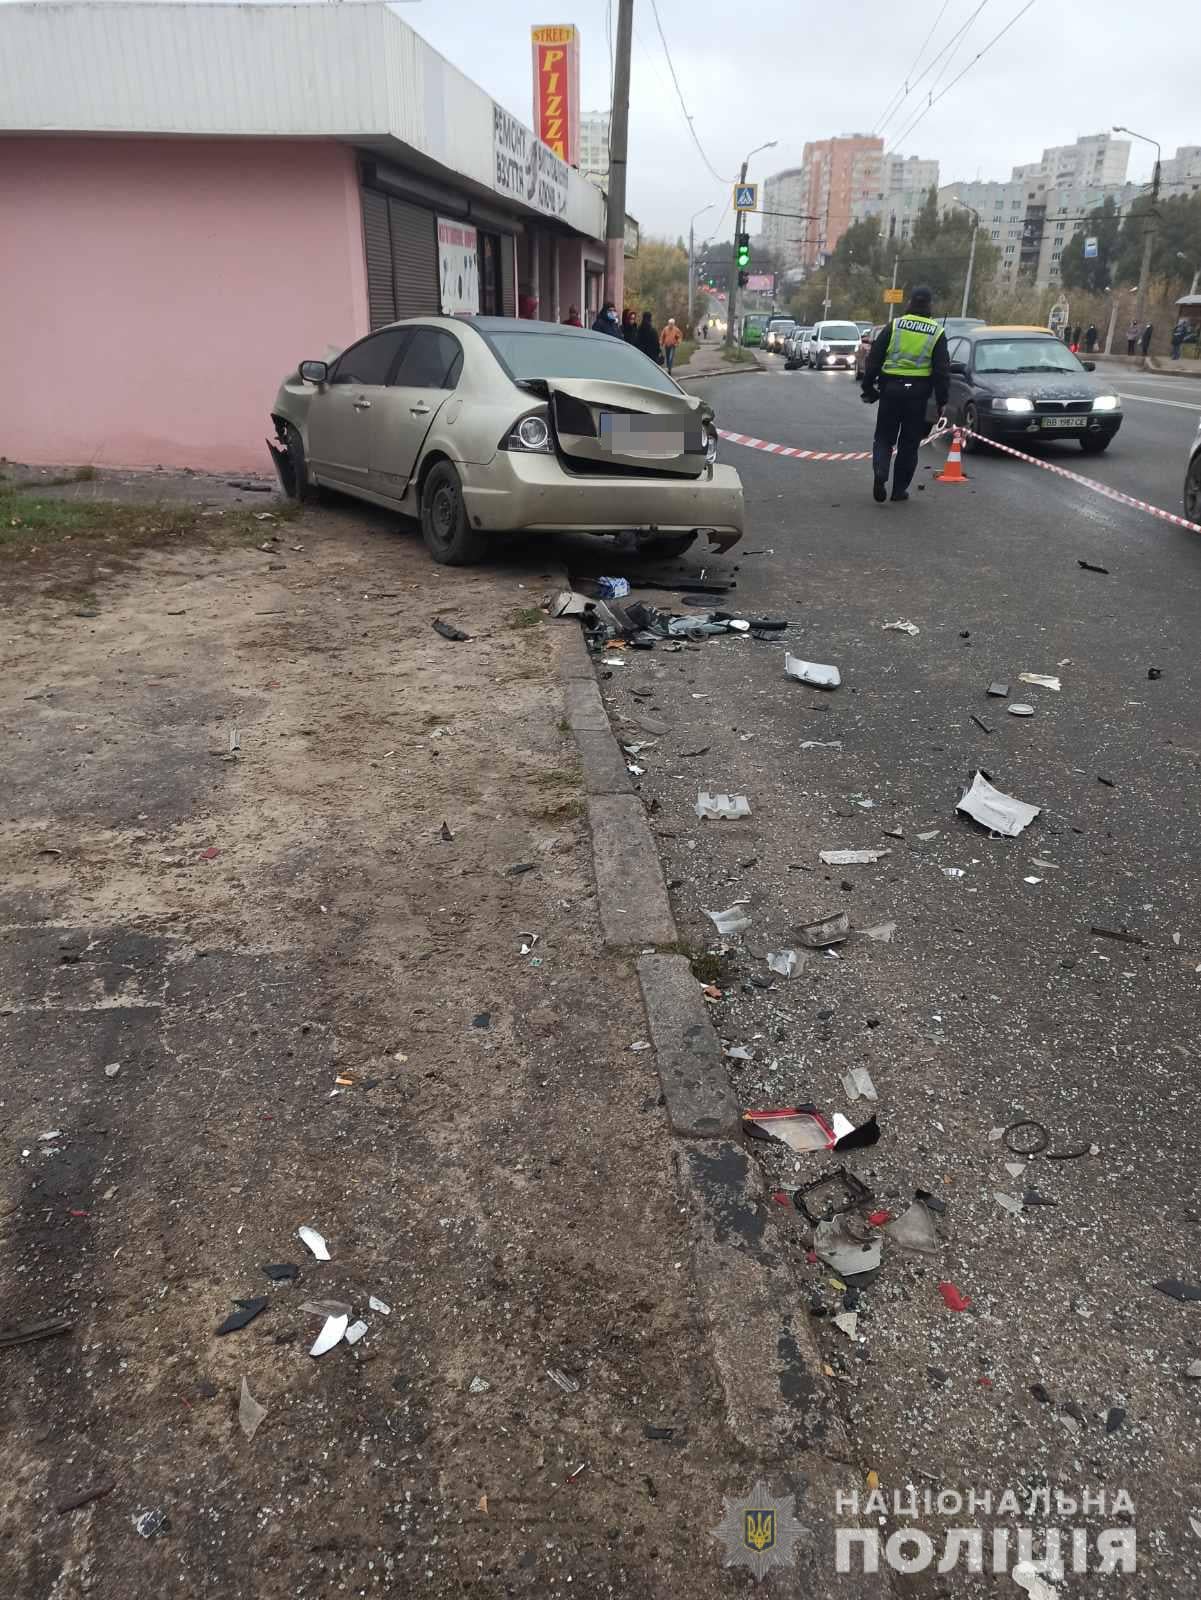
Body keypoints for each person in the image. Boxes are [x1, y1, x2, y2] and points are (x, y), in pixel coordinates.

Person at [861, 284, 949, 505]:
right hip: (918, 397)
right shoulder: (937, 331)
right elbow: (941, 371)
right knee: (909, 444)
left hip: (891, 391)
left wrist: (868, 387)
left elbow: (874, 359)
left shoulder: (895, 325)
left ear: (910, 303)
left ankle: (881, 472)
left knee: (883, 437)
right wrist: (942, 401)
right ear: (929, 305)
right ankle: (899, 490)